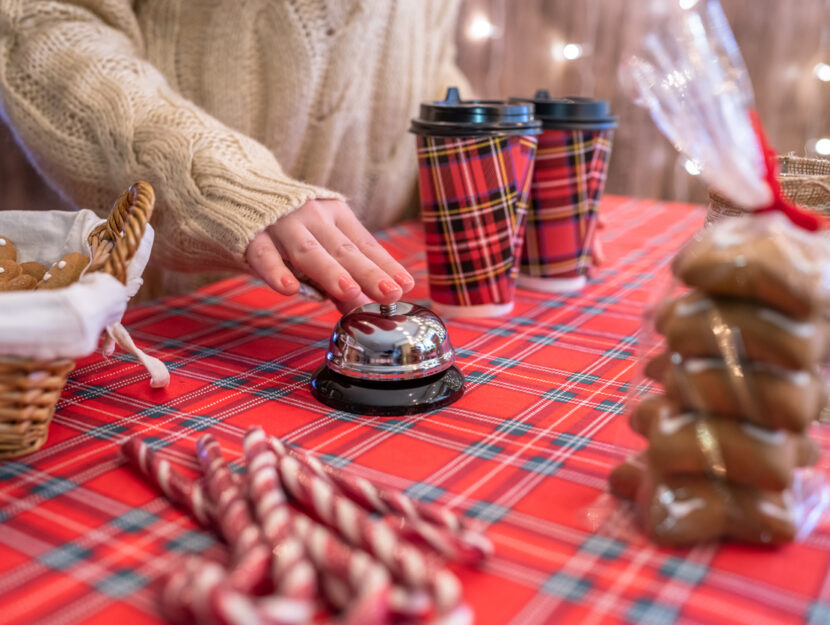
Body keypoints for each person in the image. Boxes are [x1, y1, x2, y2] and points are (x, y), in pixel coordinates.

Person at [0, 0, 470, 311]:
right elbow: (41, 23)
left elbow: (428, 51)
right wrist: (224, 184)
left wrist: (483, 167)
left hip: (377, 286)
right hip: (152, 315)